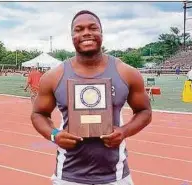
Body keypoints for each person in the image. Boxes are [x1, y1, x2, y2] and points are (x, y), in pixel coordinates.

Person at [31, 10, 152, 185]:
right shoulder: (53, 76)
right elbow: (38, 114)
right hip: (68, 176)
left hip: (116, 176)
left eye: (92, 28)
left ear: (101, 33)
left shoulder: (127, 73)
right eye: (79, 29)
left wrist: (124, 131)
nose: (86, 33)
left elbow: (144, 111)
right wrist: (55, 135)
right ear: (72, 36)